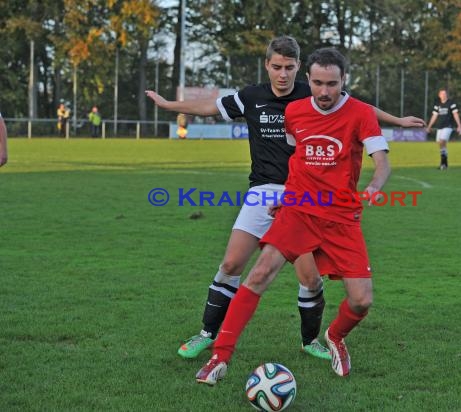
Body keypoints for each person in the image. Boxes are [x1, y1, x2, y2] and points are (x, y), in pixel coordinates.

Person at [146, 36, 424, 364]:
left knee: (310, 278)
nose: (282, 74)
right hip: (263, 191)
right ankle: (207, 335)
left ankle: (310, 340)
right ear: (267, 66)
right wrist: (169, 105)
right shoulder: (251, 96)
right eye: (276, 67)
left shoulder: (314, 94)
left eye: (289, 67)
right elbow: (209, 107)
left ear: (299, 70)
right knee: (232, 264)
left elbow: (358, 107)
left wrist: (397, 121)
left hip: (303, 197)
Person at [195, 47, 391, 384]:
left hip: (341, 216)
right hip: (298, 209)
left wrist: (375, 183)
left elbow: (382, 160)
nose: (324, 91)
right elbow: (295, 157)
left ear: (344, 80)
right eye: (317, 83)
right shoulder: (296, 112)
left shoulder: (360, 113)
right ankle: (220, 356)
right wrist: (286, 193)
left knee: (361, 301)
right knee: (259, 274)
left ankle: (336, 337)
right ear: (309, 80)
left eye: (332, 83)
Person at [426, 89, 461, 170]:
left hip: (448, 126)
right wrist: (429, 126)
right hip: (440, 127)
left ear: (447, 95)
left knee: (442, 141)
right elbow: (434, 116)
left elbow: (455, 114)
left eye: (445, 94)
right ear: (439, 95)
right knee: (441, 144)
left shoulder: (451, 103)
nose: (443, 95)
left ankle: (443, 164)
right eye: (442, 94)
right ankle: (444, 164)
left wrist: (459, 125)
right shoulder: (437, 104)